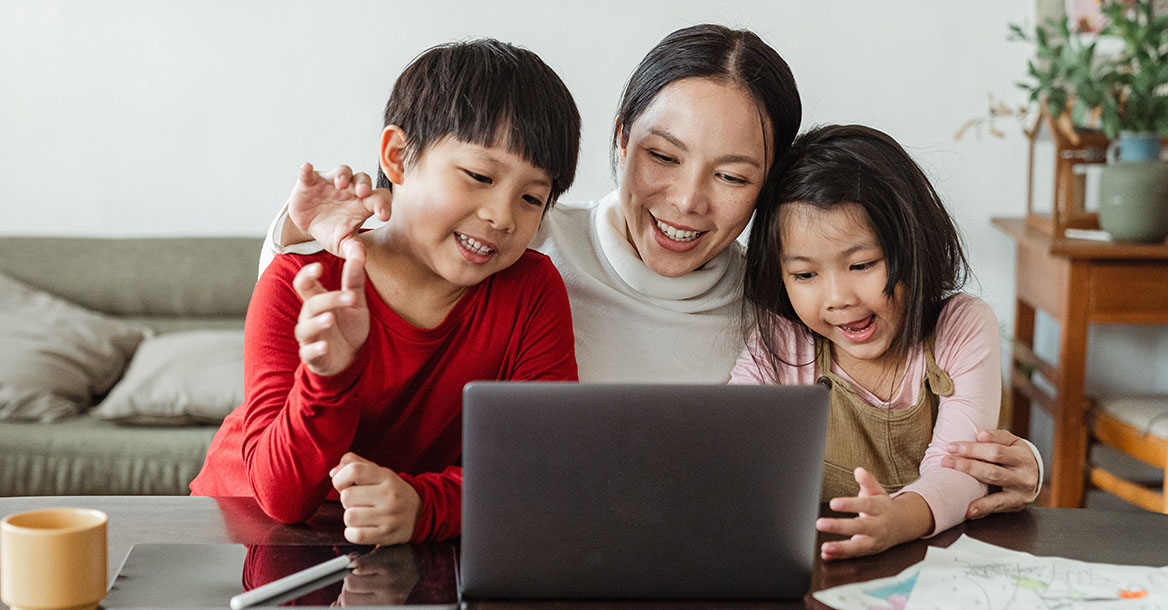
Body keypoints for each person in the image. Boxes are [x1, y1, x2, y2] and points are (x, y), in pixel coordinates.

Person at [259, 25, 1042, 520]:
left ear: (768, 190)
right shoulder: (521, 245)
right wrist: (298, 231)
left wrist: (999, 468)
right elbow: (334, 297)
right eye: (662, 157)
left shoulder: (787, 307)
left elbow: (869, 419)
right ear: (621, 136)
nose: (688, 202)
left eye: (733, 178)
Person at [188, 38, 582, 544]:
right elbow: (281, 497)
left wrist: (424, 506)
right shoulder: (298, 282)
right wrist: (328, 378)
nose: (502, 217)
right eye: (480, 175)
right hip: (244, 526)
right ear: (398, 157)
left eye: (532, 198)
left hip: (398, 537)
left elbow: (543, 471)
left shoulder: (532, 289)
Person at [731, 124, 1013, 560]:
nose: (839, 298)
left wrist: (898, 519)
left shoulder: (961, 327)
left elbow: (960, 471)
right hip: (823, 563)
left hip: (945, 564)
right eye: (805, 275)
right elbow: (727, 444)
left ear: (913, 242)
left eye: (862, 264)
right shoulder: (782, 342)